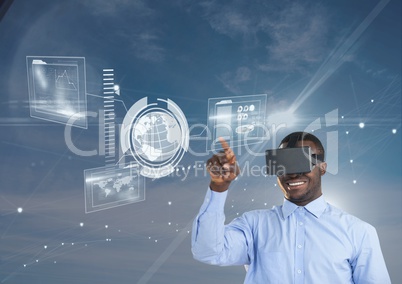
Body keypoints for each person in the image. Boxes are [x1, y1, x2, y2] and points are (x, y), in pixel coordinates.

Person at [191, 132, 391, 283]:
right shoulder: (253, 225)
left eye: (302, 162)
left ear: (322, 167)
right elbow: (208, 251)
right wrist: (219, 187)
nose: (293, 174)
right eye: (285, 164)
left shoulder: (358, 232)